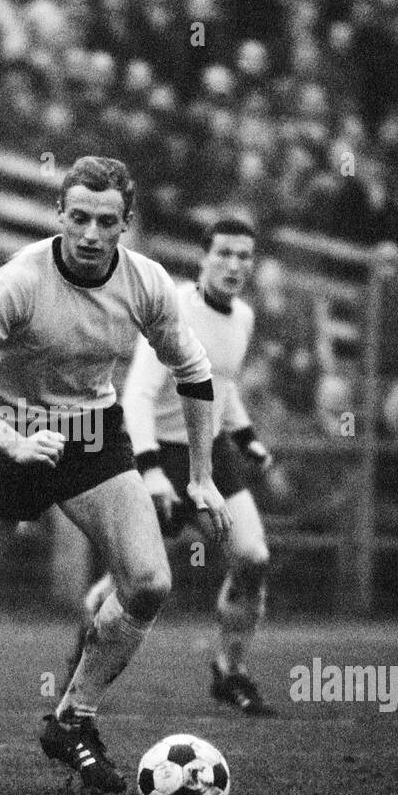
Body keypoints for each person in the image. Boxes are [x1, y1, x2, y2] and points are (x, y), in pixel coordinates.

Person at [0, 157, 231, 795]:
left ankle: (72, 717)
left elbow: (196, 372)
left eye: (108, 222)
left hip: (91, 437)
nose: (92, 234)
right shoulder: (17, 281)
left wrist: (201, 476)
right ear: (59, 216)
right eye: (81, 218)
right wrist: (7, 439)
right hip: (3, 436)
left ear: (127, 225)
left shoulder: (146, 282)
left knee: (148, 584)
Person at [71, 217, 274, 716]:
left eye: (244, 256)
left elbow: (221, 389)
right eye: (223, 253)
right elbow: (136, 395)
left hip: (210, 451)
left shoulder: (243, 317)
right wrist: (152, 470)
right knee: (132, 581)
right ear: (202, 258)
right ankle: (81, 664)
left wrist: (247, 438)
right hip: (156, 450)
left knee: (253, 557)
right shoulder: (175, 310)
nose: (234, 264)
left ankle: (230, 671)